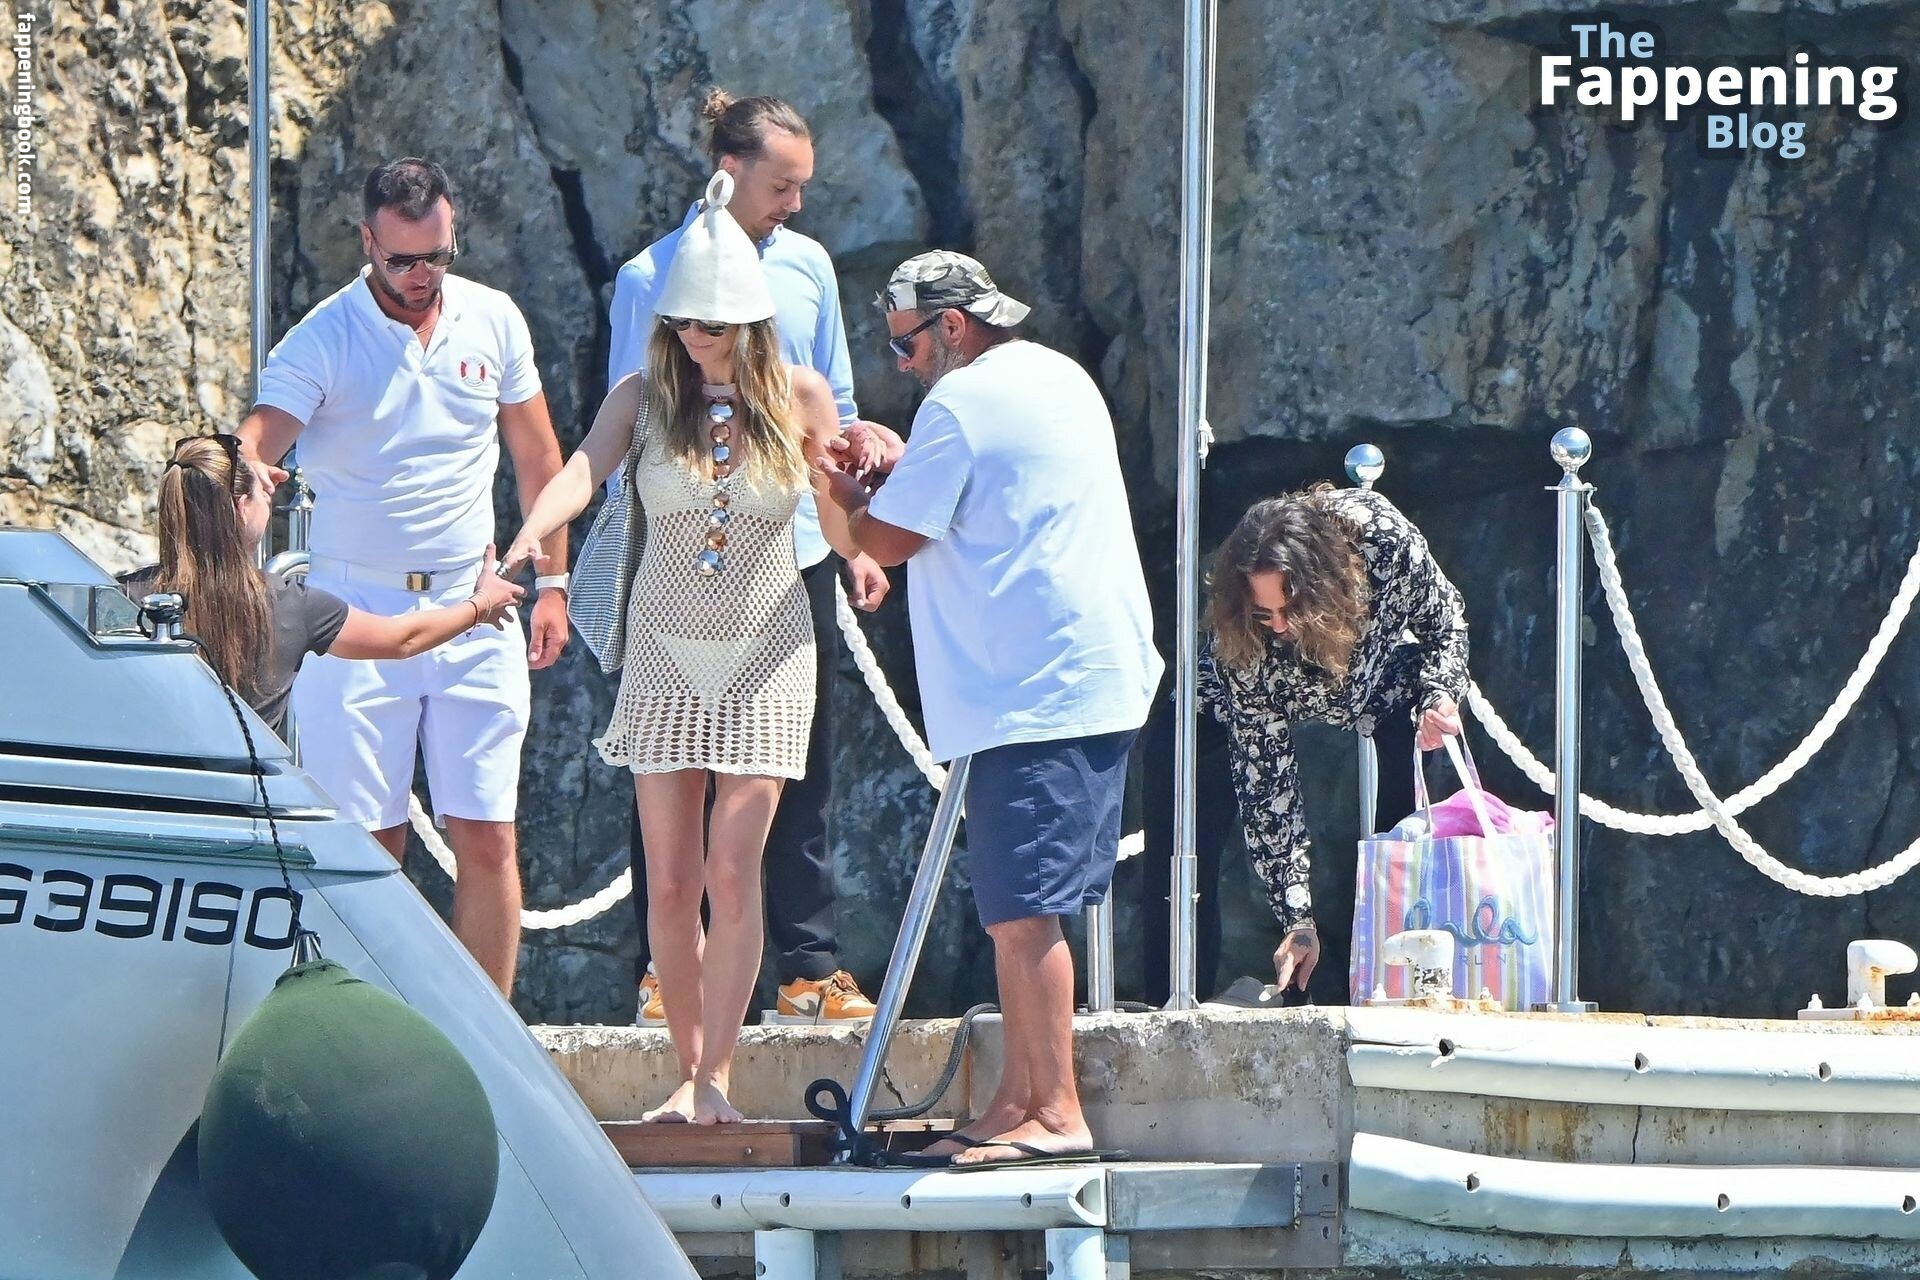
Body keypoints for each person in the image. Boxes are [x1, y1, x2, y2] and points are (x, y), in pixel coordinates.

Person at [505, 171, 860, 1125]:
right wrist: (528, 537)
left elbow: (836, 519)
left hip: (768, 651)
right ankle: (686, 1069)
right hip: (664, 649)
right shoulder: (643, 395)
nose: (697, 336)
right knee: (668, 880)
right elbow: (580, 471)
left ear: (750, 320)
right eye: (684, 322)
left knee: (732, 870)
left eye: (714, 322)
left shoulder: (801, 395)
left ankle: (719, 1080)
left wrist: (857, 533)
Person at [818, 252, 1162, 1167]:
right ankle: (1015, 1100)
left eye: (906, 345)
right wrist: (898, 462)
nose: (902, 365)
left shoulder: (961, 404)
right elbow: (989, 491)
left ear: (953, 327)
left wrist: (837, 491)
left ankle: (1055, 1113)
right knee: (1021, 906)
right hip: (1080, 676)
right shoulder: (1057, 376)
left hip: (1034, 691)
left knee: (1024, 912)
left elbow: (886, 540)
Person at [238, 157, 571, 997]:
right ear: (367, 242)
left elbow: (540, 459)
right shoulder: (322, 337)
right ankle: (369, 1031)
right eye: (404, 260)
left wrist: (555, 582)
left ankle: (484, 1037)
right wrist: (243, 478)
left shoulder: (494, 318)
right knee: (369, 842)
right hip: (353, 611)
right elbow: (254, 447)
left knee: (488, 835)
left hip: (476, 600)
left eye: (439, 256)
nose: (423, 276)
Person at [608, 88, 883, 1028]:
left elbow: (835, 401)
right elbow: (632, 412)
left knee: (794, 774)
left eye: (802, 187)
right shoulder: (650, 276)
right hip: (682, 562)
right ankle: (664, 972)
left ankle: (809, 968)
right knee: (668, 771)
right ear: (730, 171)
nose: (795, 205)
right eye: (781, 186)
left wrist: (856, 520)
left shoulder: (809, 266)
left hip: (792, 549)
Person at [1197, 484, 1470, 997]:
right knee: (1189, 799)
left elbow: (1446, 623)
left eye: (1290, 608)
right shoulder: (1243, 644)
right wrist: (1297, 917)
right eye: (1264, 612)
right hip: (1254, 699)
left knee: (1408, 802)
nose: (1281, 626)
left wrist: (1440, 695)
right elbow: (1268, 785)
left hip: (1382, 683)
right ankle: (1177, 992)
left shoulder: (1383, 544)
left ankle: (1406, 975)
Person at [130, 434, 523, 735]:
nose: (272, 492)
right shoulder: (289, 606)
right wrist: (481, 604)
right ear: (241, 507)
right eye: (262, 493)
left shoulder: (125, 598)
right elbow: (402, 639)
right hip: (244, 805)